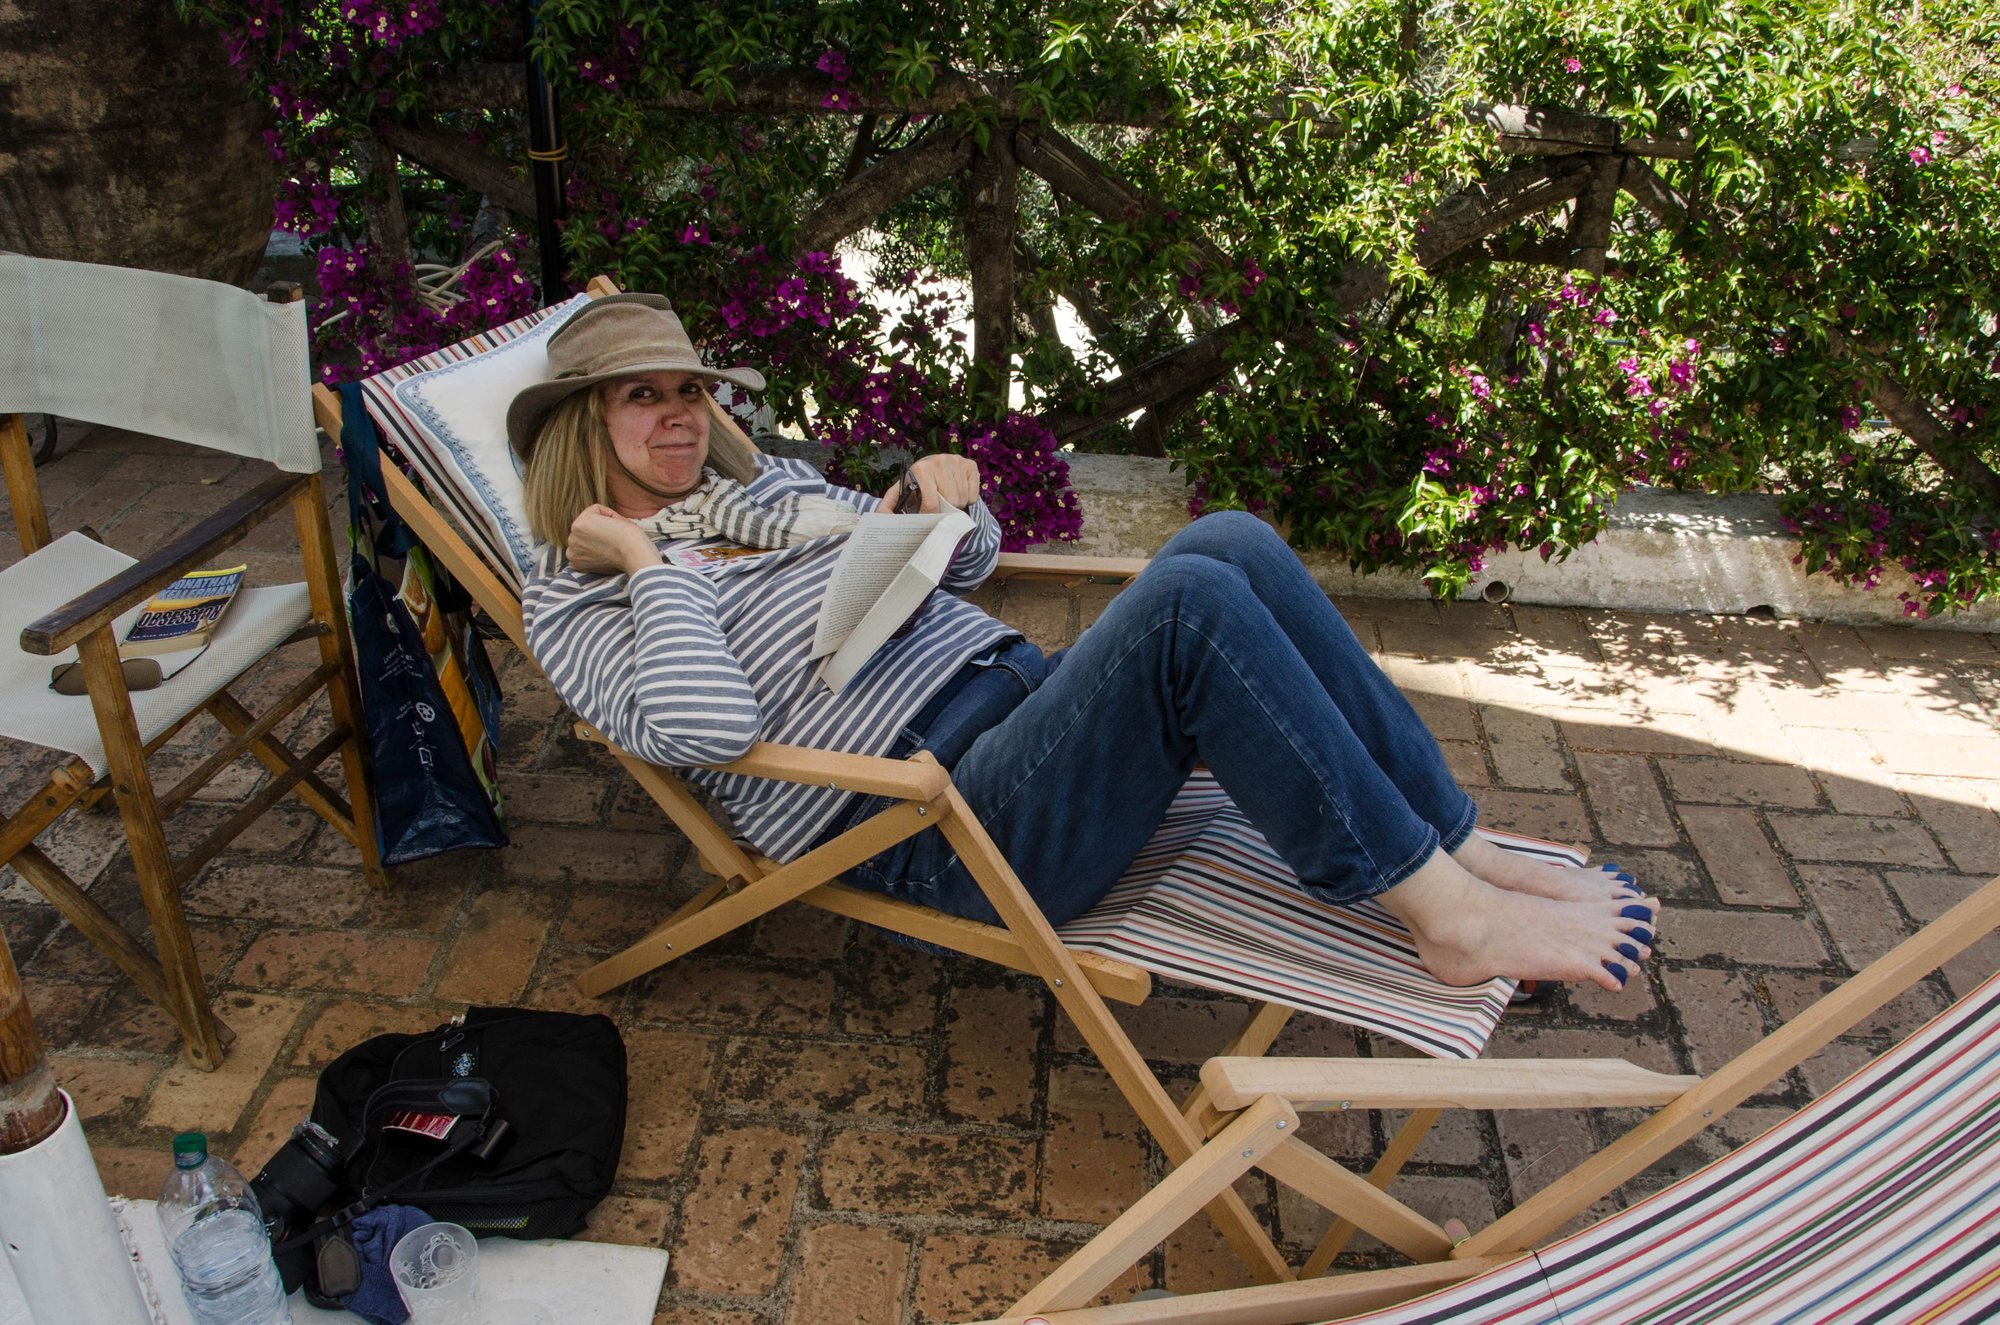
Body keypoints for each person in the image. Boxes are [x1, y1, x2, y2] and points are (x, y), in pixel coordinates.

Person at [514, 295, 1658, 992]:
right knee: (1185, 611)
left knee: (1226, 539)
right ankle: (1447, 920)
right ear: (581, 424)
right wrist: (648, 566)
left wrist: (935, 502)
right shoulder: (577, 599)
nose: (678, 415)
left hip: (1017, 711)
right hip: (933, 828)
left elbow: (953, 570)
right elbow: (704, 728)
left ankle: (1451, 840)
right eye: (640, 398)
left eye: (687, 391)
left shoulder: (758, 494)